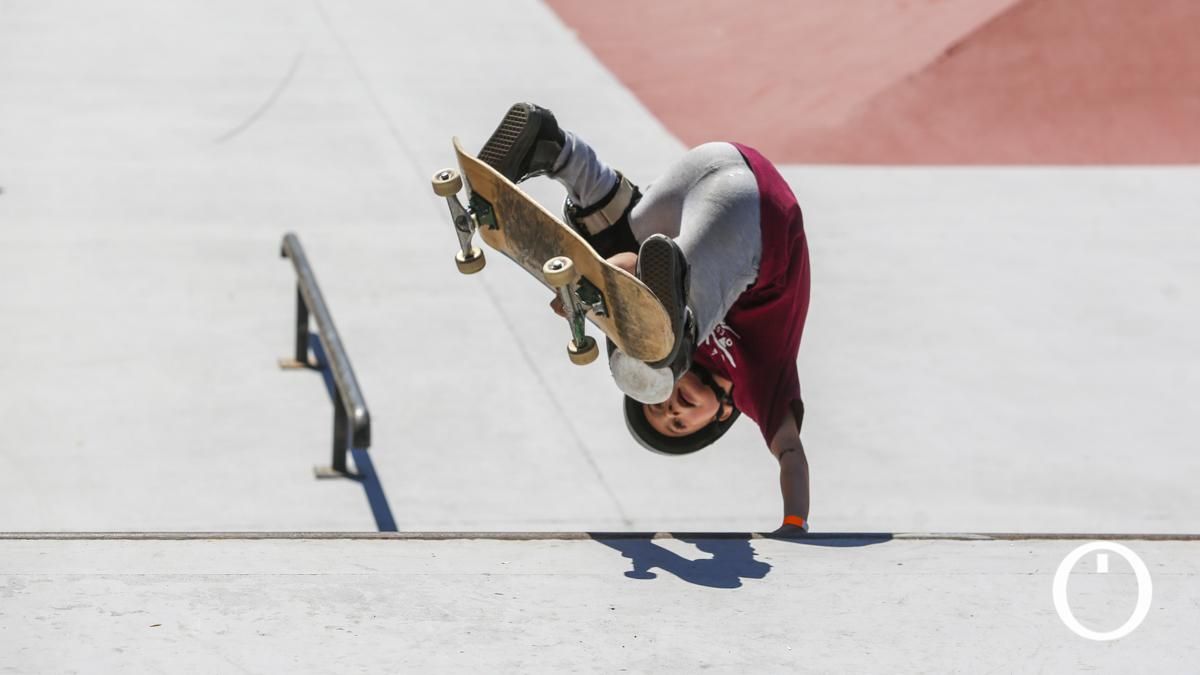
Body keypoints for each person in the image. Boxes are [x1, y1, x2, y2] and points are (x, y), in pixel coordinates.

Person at [479, 103, 812, 534]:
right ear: (720, 416)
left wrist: (586, 291)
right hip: (762, 217)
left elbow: (628, 261)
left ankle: (553, 148)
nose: (669, 407)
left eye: (655, 407)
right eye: (678, 421)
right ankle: (661, 338)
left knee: (613, 255)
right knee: (661, 344)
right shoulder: (761, 386)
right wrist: (794, 523)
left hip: (703, 171)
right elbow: (791, 454)